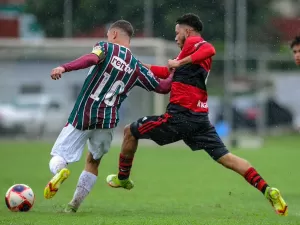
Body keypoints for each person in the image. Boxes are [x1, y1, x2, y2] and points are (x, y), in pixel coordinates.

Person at [106, 13, 288, 216]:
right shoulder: (186, 54)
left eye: (177, 33)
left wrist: (179, 63)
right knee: (227, 158)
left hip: (179, 116)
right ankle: (267, 189)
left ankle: (123, 177)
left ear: (187, 31)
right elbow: (165, 72)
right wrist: (137, 66)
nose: (175, 38)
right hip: (199, 119)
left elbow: (210, 49)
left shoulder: (195, 43)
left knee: (130, 131)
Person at [43, 20, 173, 213]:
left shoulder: (105, 48)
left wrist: (64, 67)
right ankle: (73, 205)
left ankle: (60, 170)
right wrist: (174, 73)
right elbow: (163, 88)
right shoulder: (137, 67)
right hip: (107, 121)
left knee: (59, 155)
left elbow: (91, 59)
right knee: (93, 161)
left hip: (84, 113)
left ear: (113, 35)